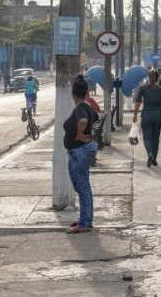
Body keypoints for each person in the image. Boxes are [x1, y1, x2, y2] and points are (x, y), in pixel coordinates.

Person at [63, 76, 99, 234]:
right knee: (84, 187)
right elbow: (96, 117)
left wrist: (78, 135)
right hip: (84, 149)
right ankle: (85, 218)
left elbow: (83, 121)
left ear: (74, 94)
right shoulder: (87, 105)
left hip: (79, 151)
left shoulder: (80, 109)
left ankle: (85, 222)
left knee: (82, 187)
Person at [133, 70, 161, 168]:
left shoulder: (143, 88)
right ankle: (154, 159)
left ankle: (149, 153)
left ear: (149, 77)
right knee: (155, 138)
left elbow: (138, 103)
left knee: (147, 137)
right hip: (158, 115)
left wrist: (135, 114)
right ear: (158, 78)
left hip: (146, 114)